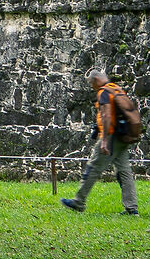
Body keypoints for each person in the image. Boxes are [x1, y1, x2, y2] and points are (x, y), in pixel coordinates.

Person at [60, 68, 140, 217]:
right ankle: (132, 209)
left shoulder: (104, 92)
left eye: (91, 84)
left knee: (94, 167)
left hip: (111, 136)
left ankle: (79, 201)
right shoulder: (116, 89)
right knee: (124, 171)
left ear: (96, 80)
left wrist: (104, 140)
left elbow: (106, 116)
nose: (92, 87)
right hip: (124, 135)